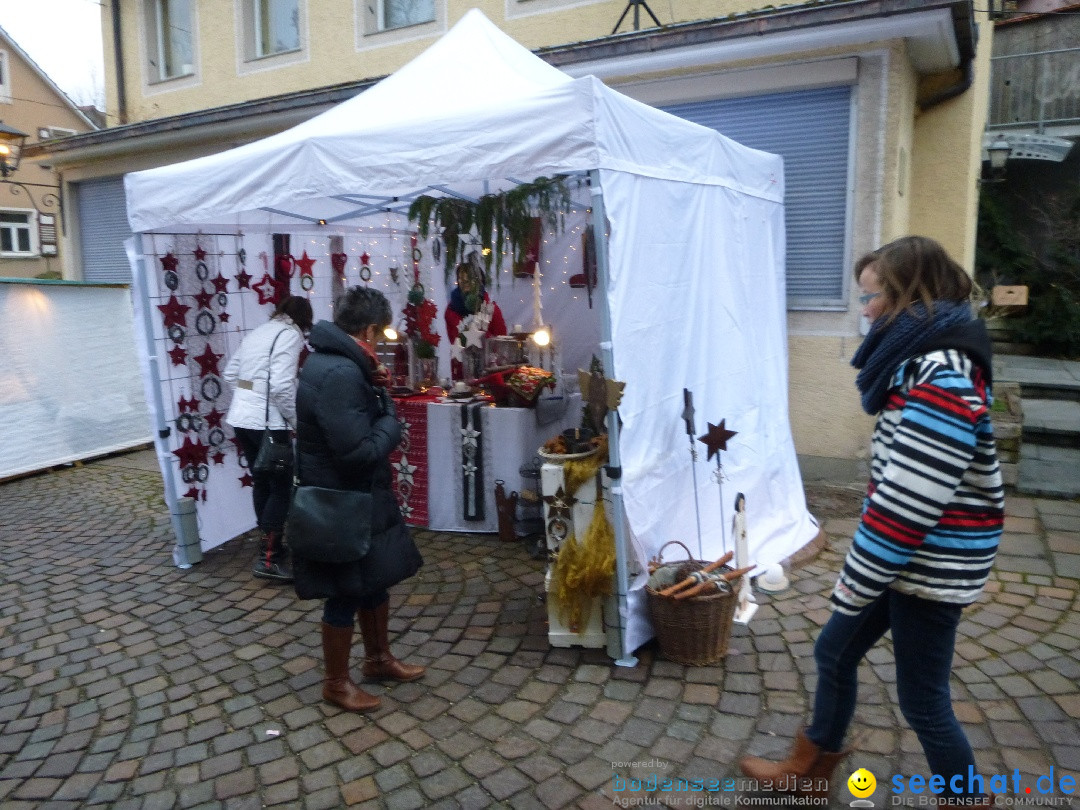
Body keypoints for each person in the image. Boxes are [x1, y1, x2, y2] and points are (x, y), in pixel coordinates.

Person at [739, 236, 1003, 808]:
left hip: (930, 563)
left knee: (923, 700)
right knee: (835, 650)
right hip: (912, 559)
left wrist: (855, 580)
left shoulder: (942, 375)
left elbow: (909, 501)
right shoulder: (922, 361)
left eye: (870, 297)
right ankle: (811, 768)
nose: (864, 311)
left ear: (907, 295)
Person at [293, 286, 425, 713]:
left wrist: (375, 389)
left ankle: (378, 660)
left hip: (356, 497)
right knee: (345, 591)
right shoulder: (340, 373)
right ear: (368, 329)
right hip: (343, 500)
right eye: (379, 333)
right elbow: (357, 451)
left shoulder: (340, 364)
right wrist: (391, 420)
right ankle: (336, 682)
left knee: (375, 577)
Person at [224, 294, 313, 583]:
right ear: (304, 319)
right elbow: (281, 385)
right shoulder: (290, 335)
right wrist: (296, 422)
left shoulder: (260, 331)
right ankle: (269, 558)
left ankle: (270, 547)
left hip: (242, 419)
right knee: (281, 488)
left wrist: (251, 391)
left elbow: (231, 374)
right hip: (269, 423)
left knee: (262, 482)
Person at [444, 260, 507, 379]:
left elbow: (501, 342)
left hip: (489, 372)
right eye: (462, 278)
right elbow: (458, 340)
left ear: (479, 280)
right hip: (463, 372)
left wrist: (478, 334)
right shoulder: (451, 309)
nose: (465, 282)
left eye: (470, 278)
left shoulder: (491, 309)